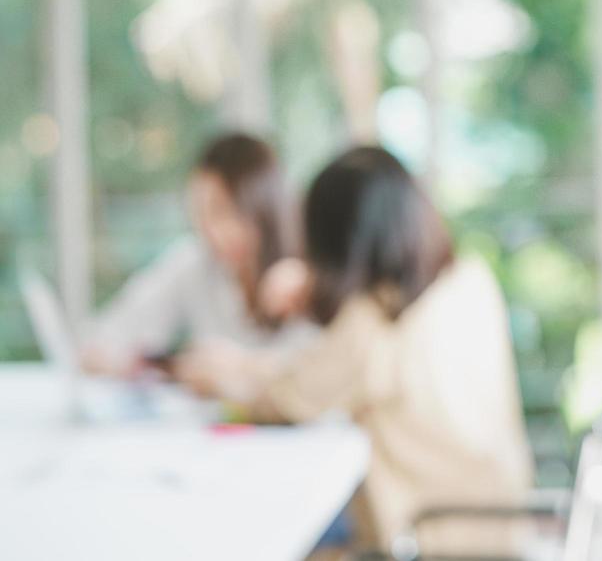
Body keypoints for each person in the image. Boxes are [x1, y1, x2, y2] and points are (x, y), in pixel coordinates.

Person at [176, 145, 535, 558]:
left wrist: (228, 372)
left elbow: (290, 397)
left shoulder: (377, 322)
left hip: (427, 539)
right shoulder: (466, 281)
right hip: (501, 528)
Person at [82, 131, 314, 376]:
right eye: (201, 214)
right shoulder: (195, 261)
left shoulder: (306, 272)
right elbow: (107, 336)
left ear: (262, 204)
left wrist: (240, 368)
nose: (213, 231)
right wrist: (119, 361)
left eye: (223, 211)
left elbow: (319, 369)